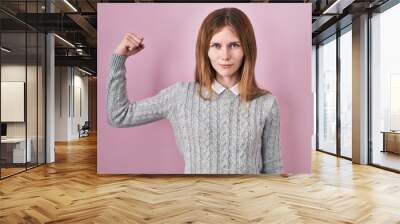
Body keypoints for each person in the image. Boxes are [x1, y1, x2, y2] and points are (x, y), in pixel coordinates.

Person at [106, 7, 282, 174]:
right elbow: (118, 115)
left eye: (234, 45)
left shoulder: (266, 103)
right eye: (216, 45)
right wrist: (118, 59)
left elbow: (273, 169)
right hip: (195, 201)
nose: (225, 55)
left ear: (247, 49)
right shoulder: (181, 96)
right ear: (205, 49)